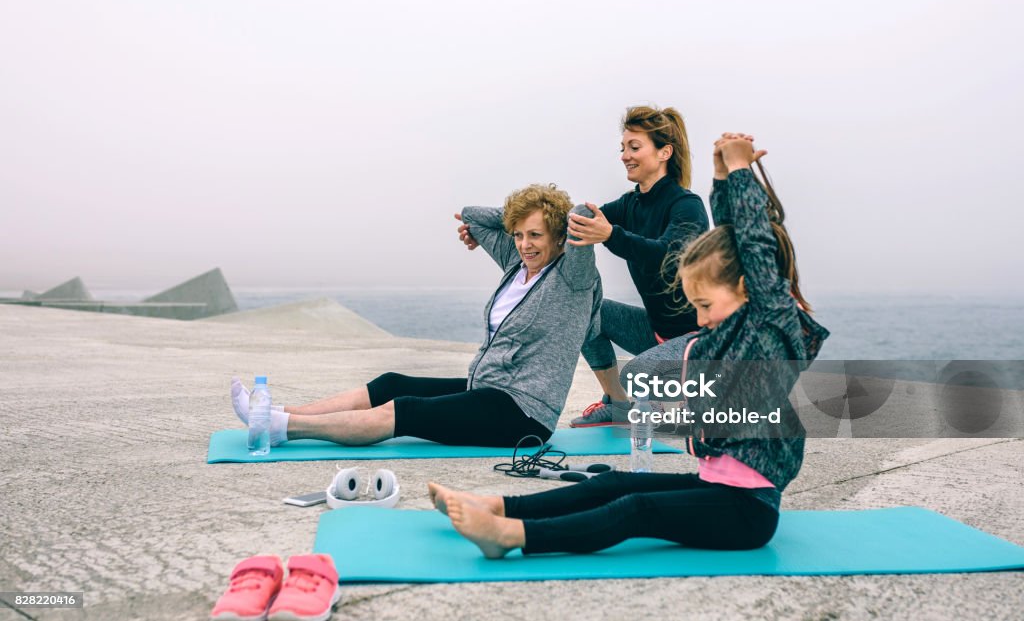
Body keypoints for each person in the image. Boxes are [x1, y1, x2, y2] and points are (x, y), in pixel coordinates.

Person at [428, 133, 829, 558]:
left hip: (747, 510)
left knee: (637, 509)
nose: (700, 318)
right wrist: (722, 176)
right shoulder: (734, 331)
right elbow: (731, 236)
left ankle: (512, 537)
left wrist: (741, 169)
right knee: (616, 483)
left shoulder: (770, 330)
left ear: (750, 290)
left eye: (706, 304)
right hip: (717, 486)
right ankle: (500, 508)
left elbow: (755, 245)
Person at [228, 183, 601, 448]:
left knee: (406, 411)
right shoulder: (516, 264)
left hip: (525, 414)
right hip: (487, 390)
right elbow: (472, 215)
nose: (524, 244)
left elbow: (580, 215)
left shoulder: (572, 277)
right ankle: (277, 410)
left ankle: (283, 428)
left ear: (557, 234)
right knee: (392, 383)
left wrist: (552, 212)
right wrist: (519, 215)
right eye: (518, 234)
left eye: (535, 234)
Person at [562, 105, 709, 428]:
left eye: (634, 147)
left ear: (664, 152)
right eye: (623, 148)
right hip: (659, 335)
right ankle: (617, 406)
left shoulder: (686, 206)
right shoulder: (631, 204)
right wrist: (502, 227)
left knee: (639, 376)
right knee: (587, 310)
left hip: (702, 342)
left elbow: (670, 254)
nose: (625, 155)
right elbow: (575, 221)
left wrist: (611, 235)